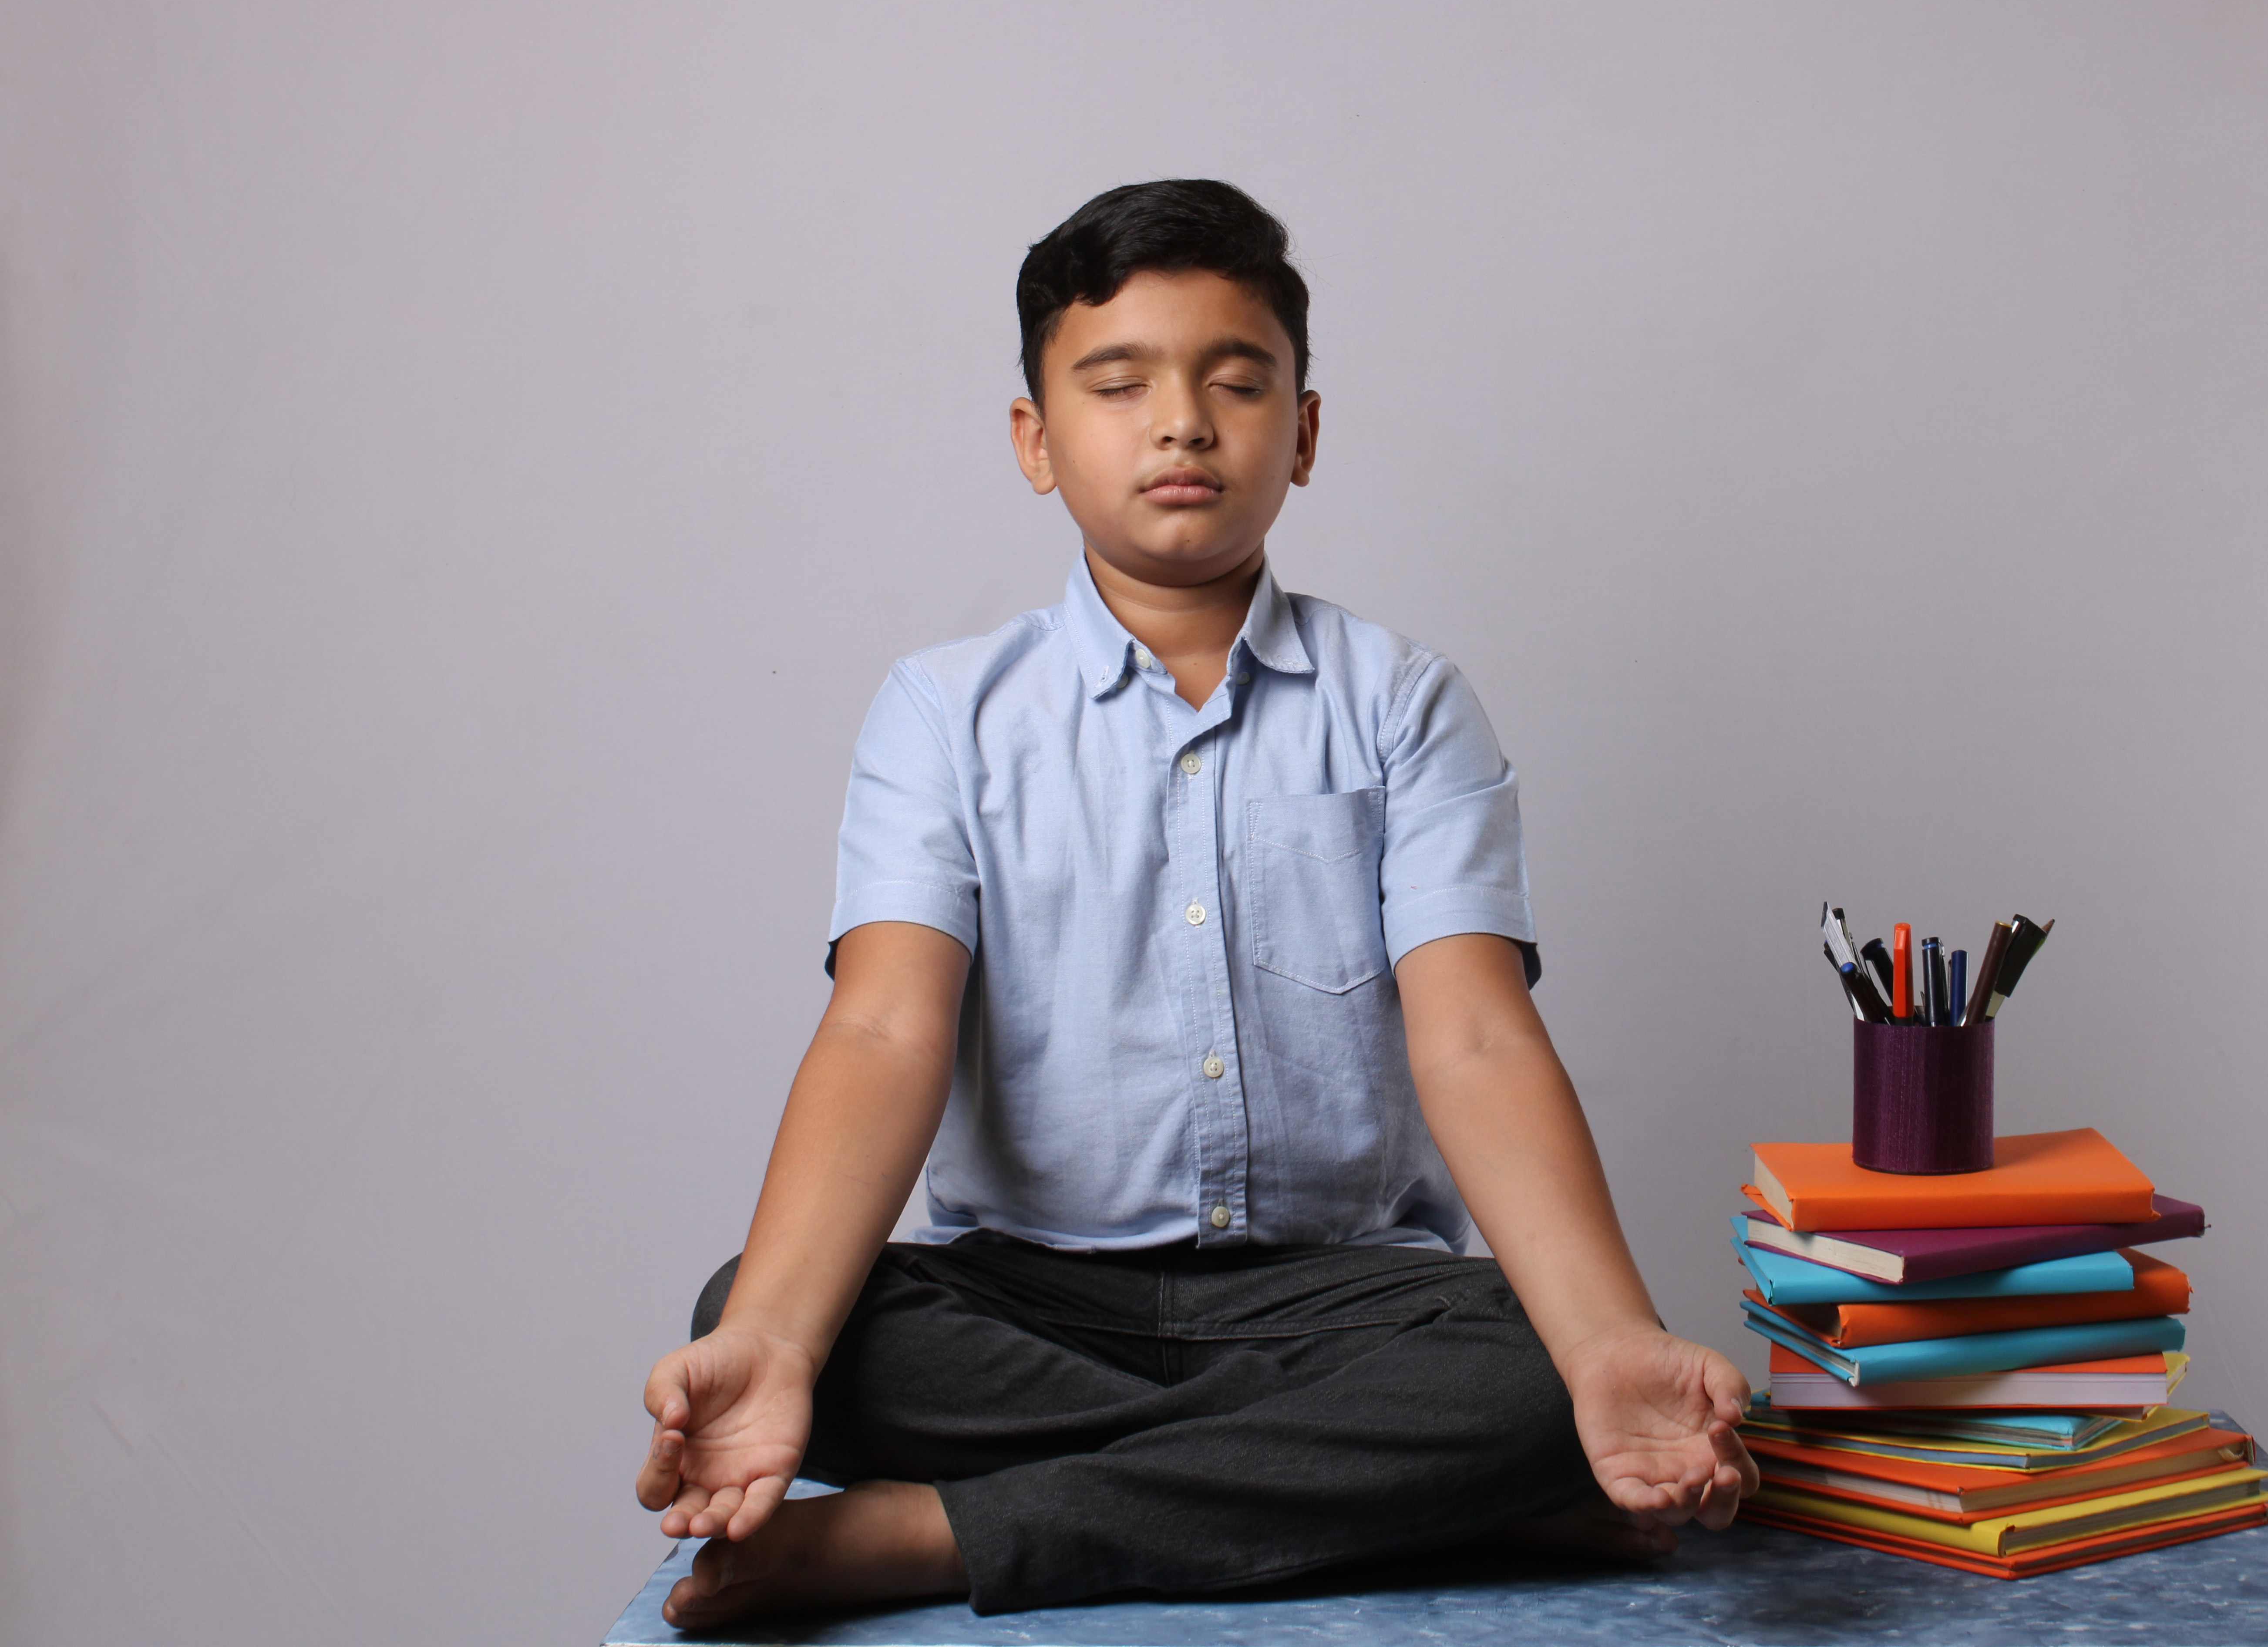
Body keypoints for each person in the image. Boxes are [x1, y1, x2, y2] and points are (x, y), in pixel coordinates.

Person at [633, 179, 1760, 1627]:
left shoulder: (1403, 704)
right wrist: (782, 1342)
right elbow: (883, 1035)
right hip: (1035, 1301)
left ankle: (940, 1536)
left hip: (1342, 1306)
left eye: (1238, 383)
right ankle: (1425, 1502)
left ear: (1301, 432)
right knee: (755, 1313)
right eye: (1120, 385)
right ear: (1036, 442)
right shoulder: (945, 712)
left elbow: (1474, 1040)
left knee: (1553, 1367)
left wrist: (1604, 1343)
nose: (1183, 422)